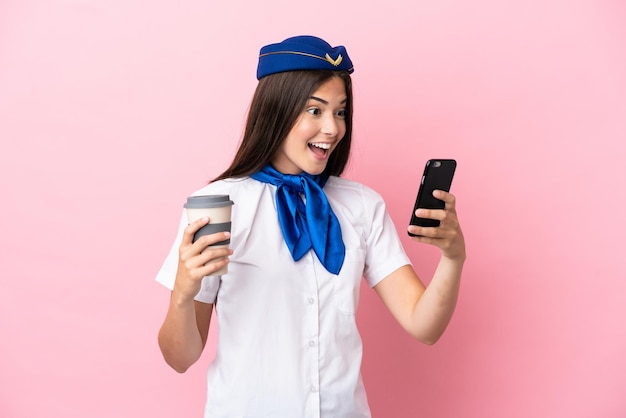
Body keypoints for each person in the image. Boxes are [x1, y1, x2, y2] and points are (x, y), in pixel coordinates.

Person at [156, 35, 466, 418]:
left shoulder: (362, 206)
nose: (333, 128)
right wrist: (184, 294)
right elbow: (180, 357)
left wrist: (453, 258)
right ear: (277, 111)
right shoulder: (219, 205)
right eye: (315, 111)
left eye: (340, 112)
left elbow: (424, 325)